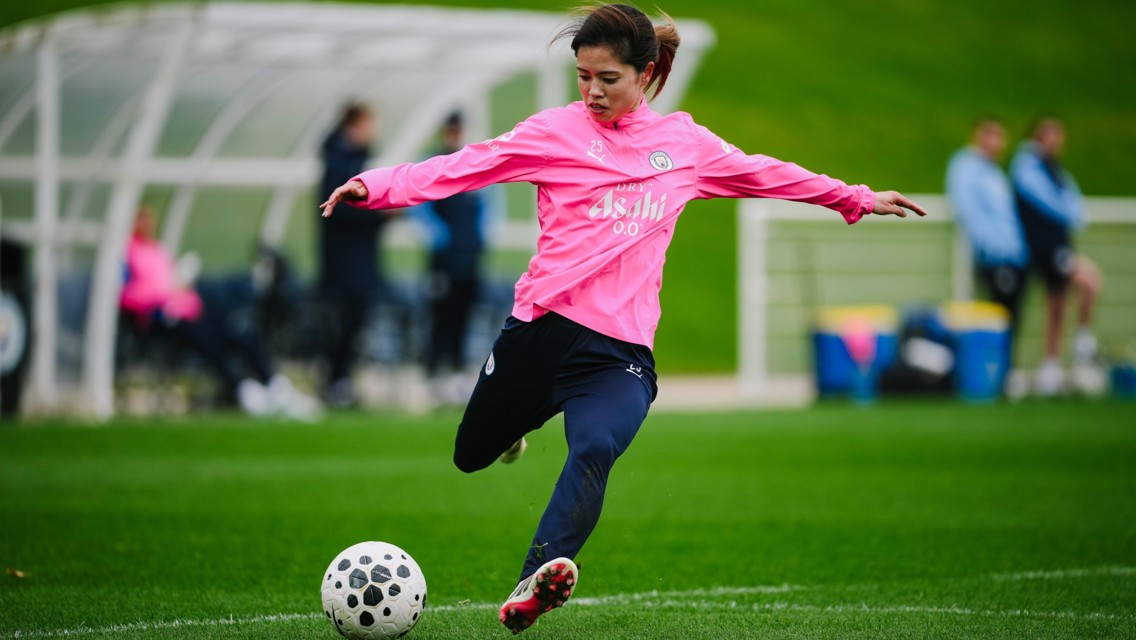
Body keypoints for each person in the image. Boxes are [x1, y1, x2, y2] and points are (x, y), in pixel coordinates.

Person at [321, 4, 926, 633]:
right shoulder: (552, 133)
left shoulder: (685, 145)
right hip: (540, 331)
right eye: (583, 76)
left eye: (607, 78)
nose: (592, 91)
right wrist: (375, 184)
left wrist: (854, 197)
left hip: (620, 353)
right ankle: (512, 429)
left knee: (594, 446)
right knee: (470, 454)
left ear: (646, 73)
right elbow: (464, 165)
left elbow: (766, 173)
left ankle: (539, 575)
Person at [120, 206, 320, 420]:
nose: (148, 223)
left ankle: (275, 385)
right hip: (158, 318)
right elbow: (126, 295)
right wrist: (164, 292)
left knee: (237, 328)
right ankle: (244, 389)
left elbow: (176, 286)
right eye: (142, 218)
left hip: (188, 309)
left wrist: (180, 286)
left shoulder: (157, 250)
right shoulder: (125, 253)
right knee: (207, 340)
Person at [1010, 115, 1103, 396]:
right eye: (1051, 134)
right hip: (1043, 247)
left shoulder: (1053, 167)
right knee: (1090, 283)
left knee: (1057, 304)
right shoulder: (1027, 166)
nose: (1057, 140)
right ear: (1038, 136)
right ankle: (1083, 346)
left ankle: (1050, 367)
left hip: (1057, 245)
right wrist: (1070, 210)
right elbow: (1056, 205)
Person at [412, 112, 492, 406]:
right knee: (439, 316)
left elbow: (488, 205)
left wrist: (482, 234)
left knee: (464, 314)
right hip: (442, 260)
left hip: (470, 258)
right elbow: (418, 207)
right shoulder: (432, 163)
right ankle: (433, 373)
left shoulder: (474, 165)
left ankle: (457, 373)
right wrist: (438, 235)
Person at [317, 103, 394, 408]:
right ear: (353, 125)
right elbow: (337, 215)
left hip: (359, 264)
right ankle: (335, 381)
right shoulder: (338, 165)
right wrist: (380, 215)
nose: (371, 133)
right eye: (367, 125)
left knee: (355, 321)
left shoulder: (354, 161)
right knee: (342, 323)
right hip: (344, 266)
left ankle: (341, 380)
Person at [945, 116, 1029, 393]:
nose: (998, 142)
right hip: (994, 257)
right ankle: (994, 379)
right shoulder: (966, 167)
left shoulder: (994, 172)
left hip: (1014, 255)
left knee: (1011, 318)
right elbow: (969, 211)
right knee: (997, 316)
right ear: (979, 136)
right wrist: (993, 250)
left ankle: (1005, 375)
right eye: (992, 135)